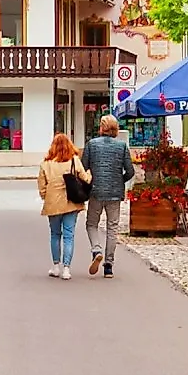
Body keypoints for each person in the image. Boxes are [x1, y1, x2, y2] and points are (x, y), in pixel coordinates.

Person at [81, 115, 135, 278]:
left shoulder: (92, 144)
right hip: (114, 192)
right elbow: (130, 171)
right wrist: (119, 180)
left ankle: (96, 250)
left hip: (96, 191)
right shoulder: (122, 146)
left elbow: (83, 167)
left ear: (101, 128)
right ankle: (109, 266)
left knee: (92, 224)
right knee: (112, 227)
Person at [36, 133, 89, 279]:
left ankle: (55, 266)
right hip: (71, 202)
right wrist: (90, 175)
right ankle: (66, 269)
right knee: (68, 235)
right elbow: (85, 178)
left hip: (53, 203)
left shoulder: (45, 164)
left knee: (55, 234)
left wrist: (46, 197)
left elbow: (42, 186)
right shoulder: (74, 160)